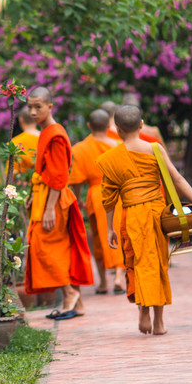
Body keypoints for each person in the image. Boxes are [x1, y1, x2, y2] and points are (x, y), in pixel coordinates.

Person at [97, 104, 192, 336]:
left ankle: (143, 310)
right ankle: (159, 321)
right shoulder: (155, 149)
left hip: (131, 216)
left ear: (117, 129)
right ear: (141, 125)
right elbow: (177, 179)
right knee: (158, 264)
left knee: (137, 263)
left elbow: (108, 199)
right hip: (157, 214)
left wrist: (109, 228)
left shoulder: (111, 158)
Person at [23, 87, 93, 320]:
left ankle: (70, 293)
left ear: (50, 107)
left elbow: (58, 176)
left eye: (38, 107)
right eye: (30, 107)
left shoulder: (55, 134)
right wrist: (34, 195)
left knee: (46, 246)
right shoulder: (46, 132)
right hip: (45, 195)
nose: (33, 112)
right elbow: (45, 171)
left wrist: (50, 207)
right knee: (59, 246)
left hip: (55, 199)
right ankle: (77, 303)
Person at [69, 109, 126, 295]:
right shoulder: (119, 145)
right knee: (118, 232)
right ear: (108, 125)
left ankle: (103, 282)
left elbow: (76, 179)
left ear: (89, 126)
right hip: (119, 193)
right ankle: (118, 276)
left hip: (97, 194)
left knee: (100, 238)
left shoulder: (80, 148)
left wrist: (77, 198)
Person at [10, 109, 40, 176]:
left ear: (21, 120)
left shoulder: (14, 143)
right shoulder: (46, 138)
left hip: (23, 184)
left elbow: (11, 173)